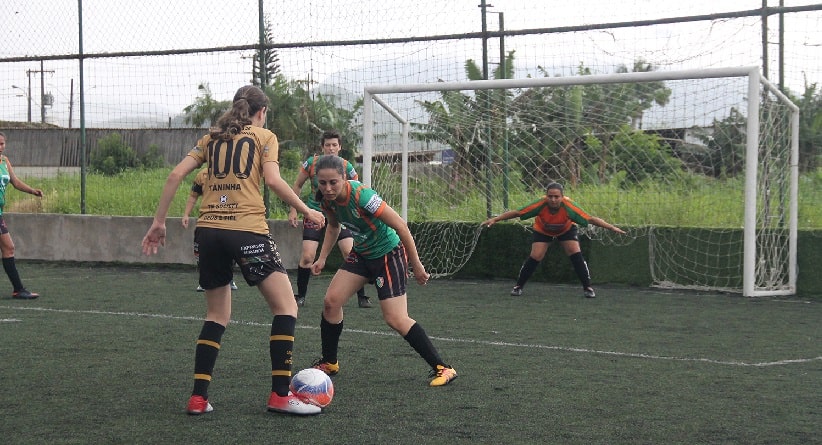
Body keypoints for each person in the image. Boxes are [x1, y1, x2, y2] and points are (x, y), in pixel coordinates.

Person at [141, 85, 327, 416]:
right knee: (286, 308)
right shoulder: (264, 136)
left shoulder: (210, 138)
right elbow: (272, 180)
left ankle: (198, 398)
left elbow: (174, 175)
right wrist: (307, 209)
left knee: (216, 316)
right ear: (262, 111)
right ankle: (280, 395)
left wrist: (159, 222)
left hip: (209, 232)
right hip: (246, 230)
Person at [309, 155, 457, 387]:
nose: (328, 188)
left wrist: (416, 265)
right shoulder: (326, 200)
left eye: (333, 182)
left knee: (395, 318)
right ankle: (330, 362)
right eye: (323, 182)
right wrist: (322, 257)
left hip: (388, 254)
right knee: (331, 301)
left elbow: (400, 225)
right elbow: (334, 226)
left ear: (345, 178)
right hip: (362, 254)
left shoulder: (362, 196)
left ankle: (444, 368)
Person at [483, 182, 626, 298]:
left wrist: (612, 228)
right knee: (536, 255)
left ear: (562, 197)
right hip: (543, 230)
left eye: (556, 197)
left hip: (566, 229)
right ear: (546, 196)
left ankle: (587, 287)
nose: (553, 200)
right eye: (550, 196)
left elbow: (591, 219)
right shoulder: (540, 204)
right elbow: (517, 212)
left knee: (575, 253)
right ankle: (518, 286)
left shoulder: (569, 207)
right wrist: (495, 219)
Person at [288, 130, 371, 309]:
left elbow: (357, 189)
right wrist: (293, 209)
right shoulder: (311, 163)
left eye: (334, 145)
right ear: (322, 147)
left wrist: (358, 216)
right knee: (308, 256)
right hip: (314, 213)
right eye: (328, 145)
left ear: (339, 147)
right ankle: (300, 296)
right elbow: (297, 185)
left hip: (341, 215)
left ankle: (362, 297)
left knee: (350, 253)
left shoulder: (347, 167)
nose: (331, 148)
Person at [0, 131, 42, 300]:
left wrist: (32, 191)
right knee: (8, 247)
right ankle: (18, 289)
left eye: (2, 143)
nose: (0, 147)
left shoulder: (4, 161)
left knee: (8, 248)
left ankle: (18, 290)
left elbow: (15, 182)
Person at [182, 168, 237, 291]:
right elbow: (193, 196)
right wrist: (186, 214)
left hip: (230, 219)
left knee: (230, 249)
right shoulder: (202, 174)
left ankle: (229, 280)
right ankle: (204, 280)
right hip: (207, 220)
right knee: (201, 250)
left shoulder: (235, 173)